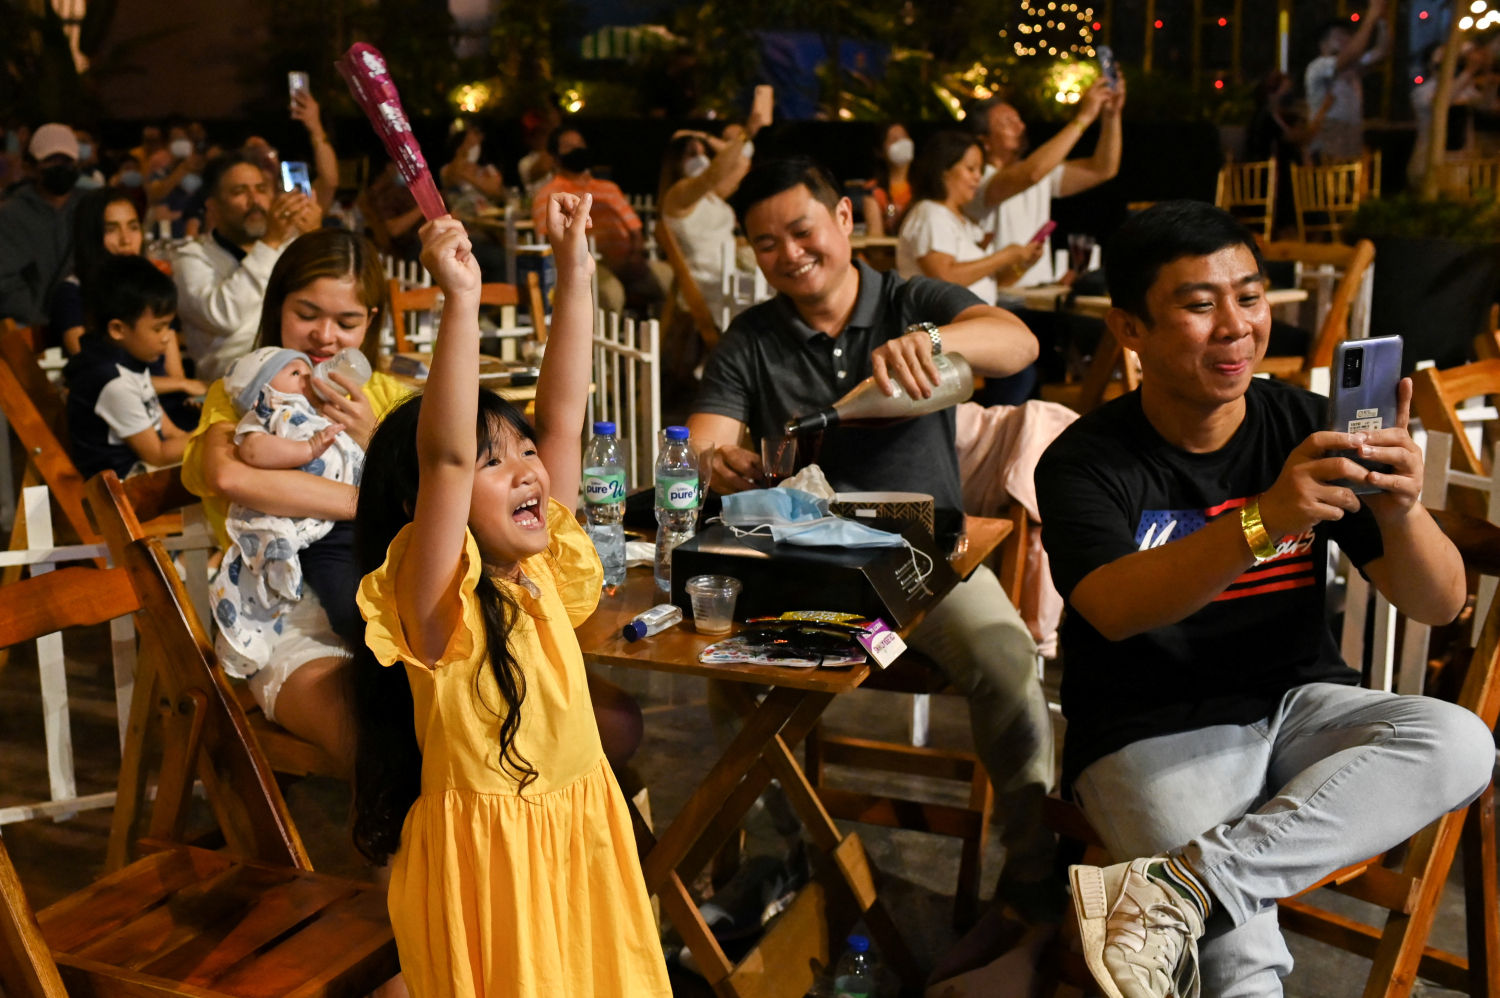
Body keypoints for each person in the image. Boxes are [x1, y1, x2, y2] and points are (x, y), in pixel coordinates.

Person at [1035, 200, 1495, 997]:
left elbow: (1439, 602)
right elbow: (1112, 607)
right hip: (1147, 728)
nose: (1236, 327)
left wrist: (1403, 509)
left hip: (1296, 703)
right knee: (1238, 962)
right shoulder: (1086, 461)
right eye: (1199, 303)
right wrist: (1264, 520)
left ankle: (1176, 888)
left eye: (1249, 298)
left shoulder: (1302, 424)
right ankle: (1191, 896)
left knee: (1461, 742)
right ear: (1129, 329)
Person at [686, 157, 1058, 931]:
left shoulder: (908, 298)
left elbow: (1016, 343)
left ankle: (1031, 873)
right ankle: (786, 851)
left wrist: (927, 340)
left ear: (846, 222)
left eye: (802, 230)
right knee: (727, 669)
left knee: (1006, 658)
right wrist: (716, 459)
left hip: (925, 558)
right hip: (808, 562)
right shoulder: (753, 338)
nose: (789, 254)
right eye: (766, 243)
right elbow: (708, 436)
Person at [349, 195, 671, 996]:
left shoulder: (538, 576)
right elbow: (448, 459)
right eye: (502, 463)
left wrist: (576, 267)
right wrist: (461, 300)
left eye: (524, 453)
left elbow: (563, 417)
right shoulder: (433, 609)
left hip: (580, 840)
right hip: (491, 877)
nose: (530, 469)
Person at [182, 228, 404, 771]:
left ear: (370, 322)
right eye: (307, 312)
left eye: (347, 322)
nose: (324, 336)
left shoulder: (388, 398)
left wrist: (375, 437)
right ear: (277, 304)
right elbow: (231, 477)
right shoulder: (246, 389)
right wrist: (367, 497)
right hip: (281, 619)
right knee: (386, 747)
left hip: (388, 603)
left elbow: (429, 503)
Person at [208, 346, 364, 678]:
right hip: (320, 531)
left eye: (308, 372)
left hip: (354, 519)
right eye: (295, 373)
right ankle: (362, 638)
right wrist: (307, 448)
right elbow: (253, 452)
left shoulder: (320, 414)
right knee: (343, 592)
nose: (309, 378)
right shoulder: (267, 417)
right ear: (262, 391)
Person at [173, 152, 322, 382]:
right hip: (230, 386)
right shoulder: (191, 257)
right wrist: (270, 242)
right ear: (213, 207)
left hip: (302, 377)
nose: (255, 201)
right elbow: (224, 317)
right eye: (239, 192)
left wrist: (315, 239)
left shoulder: (288, 245)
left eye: (261, 189)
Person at [965, 81, 1124, 288]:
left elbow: (1102, 169)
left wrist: (1112, 116)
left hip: (1040, 293)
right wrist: (1083, 118)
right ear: (984, 140)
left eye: (1019, 120)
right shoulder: (980, 180)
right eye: (1007, 123)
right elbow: (1032, 174)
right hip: (1001, 297)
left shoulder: (1039, 175)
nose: (1020, 127)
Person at [63, 254, 188, 478]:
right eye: (158, 328)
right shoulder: (113, 381)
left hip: (143, 473)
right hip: (122, 489)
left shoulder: (130, 362)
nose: (167, 337)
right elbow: (157, 454)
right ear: (118, 329)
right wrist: (212, 436)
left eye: (169, 326)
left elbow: (169, 430)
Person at [531, 126, 670, 314]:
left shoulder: (609, 188)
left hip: (630, 263)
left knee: (671, 280)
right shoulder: (549, 195)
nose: (577, 150)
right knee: (611, 294)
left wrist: (636, 255)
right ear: (555, 156)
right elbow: (551, 240)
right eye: (569, 146)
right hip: (588, 267)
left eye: (580, 145)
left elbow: (635, 229)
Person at [656, 97, 771, 324]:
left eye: (703, 153)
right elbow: (714, 174)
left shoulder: (709, 195)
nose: (700, 158)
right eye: (691, 154)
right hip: (710, 283)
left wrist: (702, 137)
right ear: (675, 161)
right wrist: (744, 133)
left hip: (732, 275)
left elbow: (740, 164)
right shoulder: (679, 194)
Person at [896, 130, 1044, 306]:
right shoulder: (930, 214)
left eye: (980, 170)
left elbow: (988, 280)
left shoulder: (964, 220)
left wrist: (1022, 264)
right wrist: (1004, 256)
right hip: (942, 327)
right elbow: (944, 277)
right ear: (944, 170)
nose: (978, 177)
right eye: (970, 169)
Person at [0, 122, 85, 328]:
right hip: (28, 325)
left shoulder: (88, 208)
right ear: (32, 167)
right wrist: (35, 316)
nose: (61, 168)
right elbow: (5, 280)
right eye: (51, 161)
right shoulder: (11, 214)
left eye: (67, 161)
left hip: (79, 321)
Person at [1304, 0, 1389, 163]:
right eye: (1339, 36)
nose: (1347, 40)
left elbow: (1382, 51)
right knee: (1329, 184)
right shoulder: (1318, 67)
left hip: (1352, 132)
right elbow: (1351, 54)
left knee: (1351, 183)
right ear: (1323, 43)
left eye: (1348, 35)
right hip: (1328, 137)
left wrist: (1383, 20)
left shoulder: (1353, 65)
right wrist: (1371, 16)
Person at [861, 122, 914, 238]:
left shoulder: (924, 185)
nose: (901, 143)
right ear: (880, 152)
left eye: (904, 137)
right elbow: (876, 240)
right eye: (893, 140)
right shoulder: (873, 190)